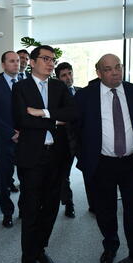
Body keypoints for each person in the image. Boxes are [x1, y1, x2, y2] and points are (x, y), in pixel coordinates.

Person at [75, 54, 133, 263]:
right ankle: (110, 246)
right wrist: (83, 157)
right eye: (108, 69)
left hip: (131, 162)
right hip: (102, 163)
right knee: (105, 210)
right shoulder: (86, 95)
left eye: (118, 67)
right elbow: (75, 129)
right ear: (99, 73)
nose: (115, 72)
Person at [12, 45, 77, 263]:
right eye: (46, 59)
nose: (51, 63)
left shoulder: (59, 87)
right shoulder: (21, 87)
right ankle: (28, 260)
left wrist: (42, 113)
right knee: (31, 210)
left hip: (57, 157)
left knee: (50, 207)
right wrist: (54, 120)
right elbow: (22, 119)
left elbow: (72, 113)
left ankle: (40, 249)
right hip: (32, 158)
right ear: (32, 62)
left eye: (53, 60)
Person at [0, 51, 21, 227]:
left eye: (18, 61)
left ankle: (24, 210)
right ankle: (7, 213)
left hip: (25, 140)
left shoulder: (26, 83)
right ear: (3, 65)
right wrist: (11, 133)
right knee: (5, 180)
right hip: (4, 141)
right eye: (12, 61)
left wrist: (23, 133)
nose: (16, 64)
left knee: (26, 178)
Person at [53, 62, 80, 218]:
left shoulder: (82, 92)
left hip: (84, 140)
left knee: (91, 173)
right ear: (58, 78)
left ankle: (94, 205)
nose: (68, 77)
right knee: (64, 175)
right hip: (65, 141)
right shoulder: (55, 96)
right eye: (64, 75)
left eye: (70, 73)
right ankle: (69, 203)